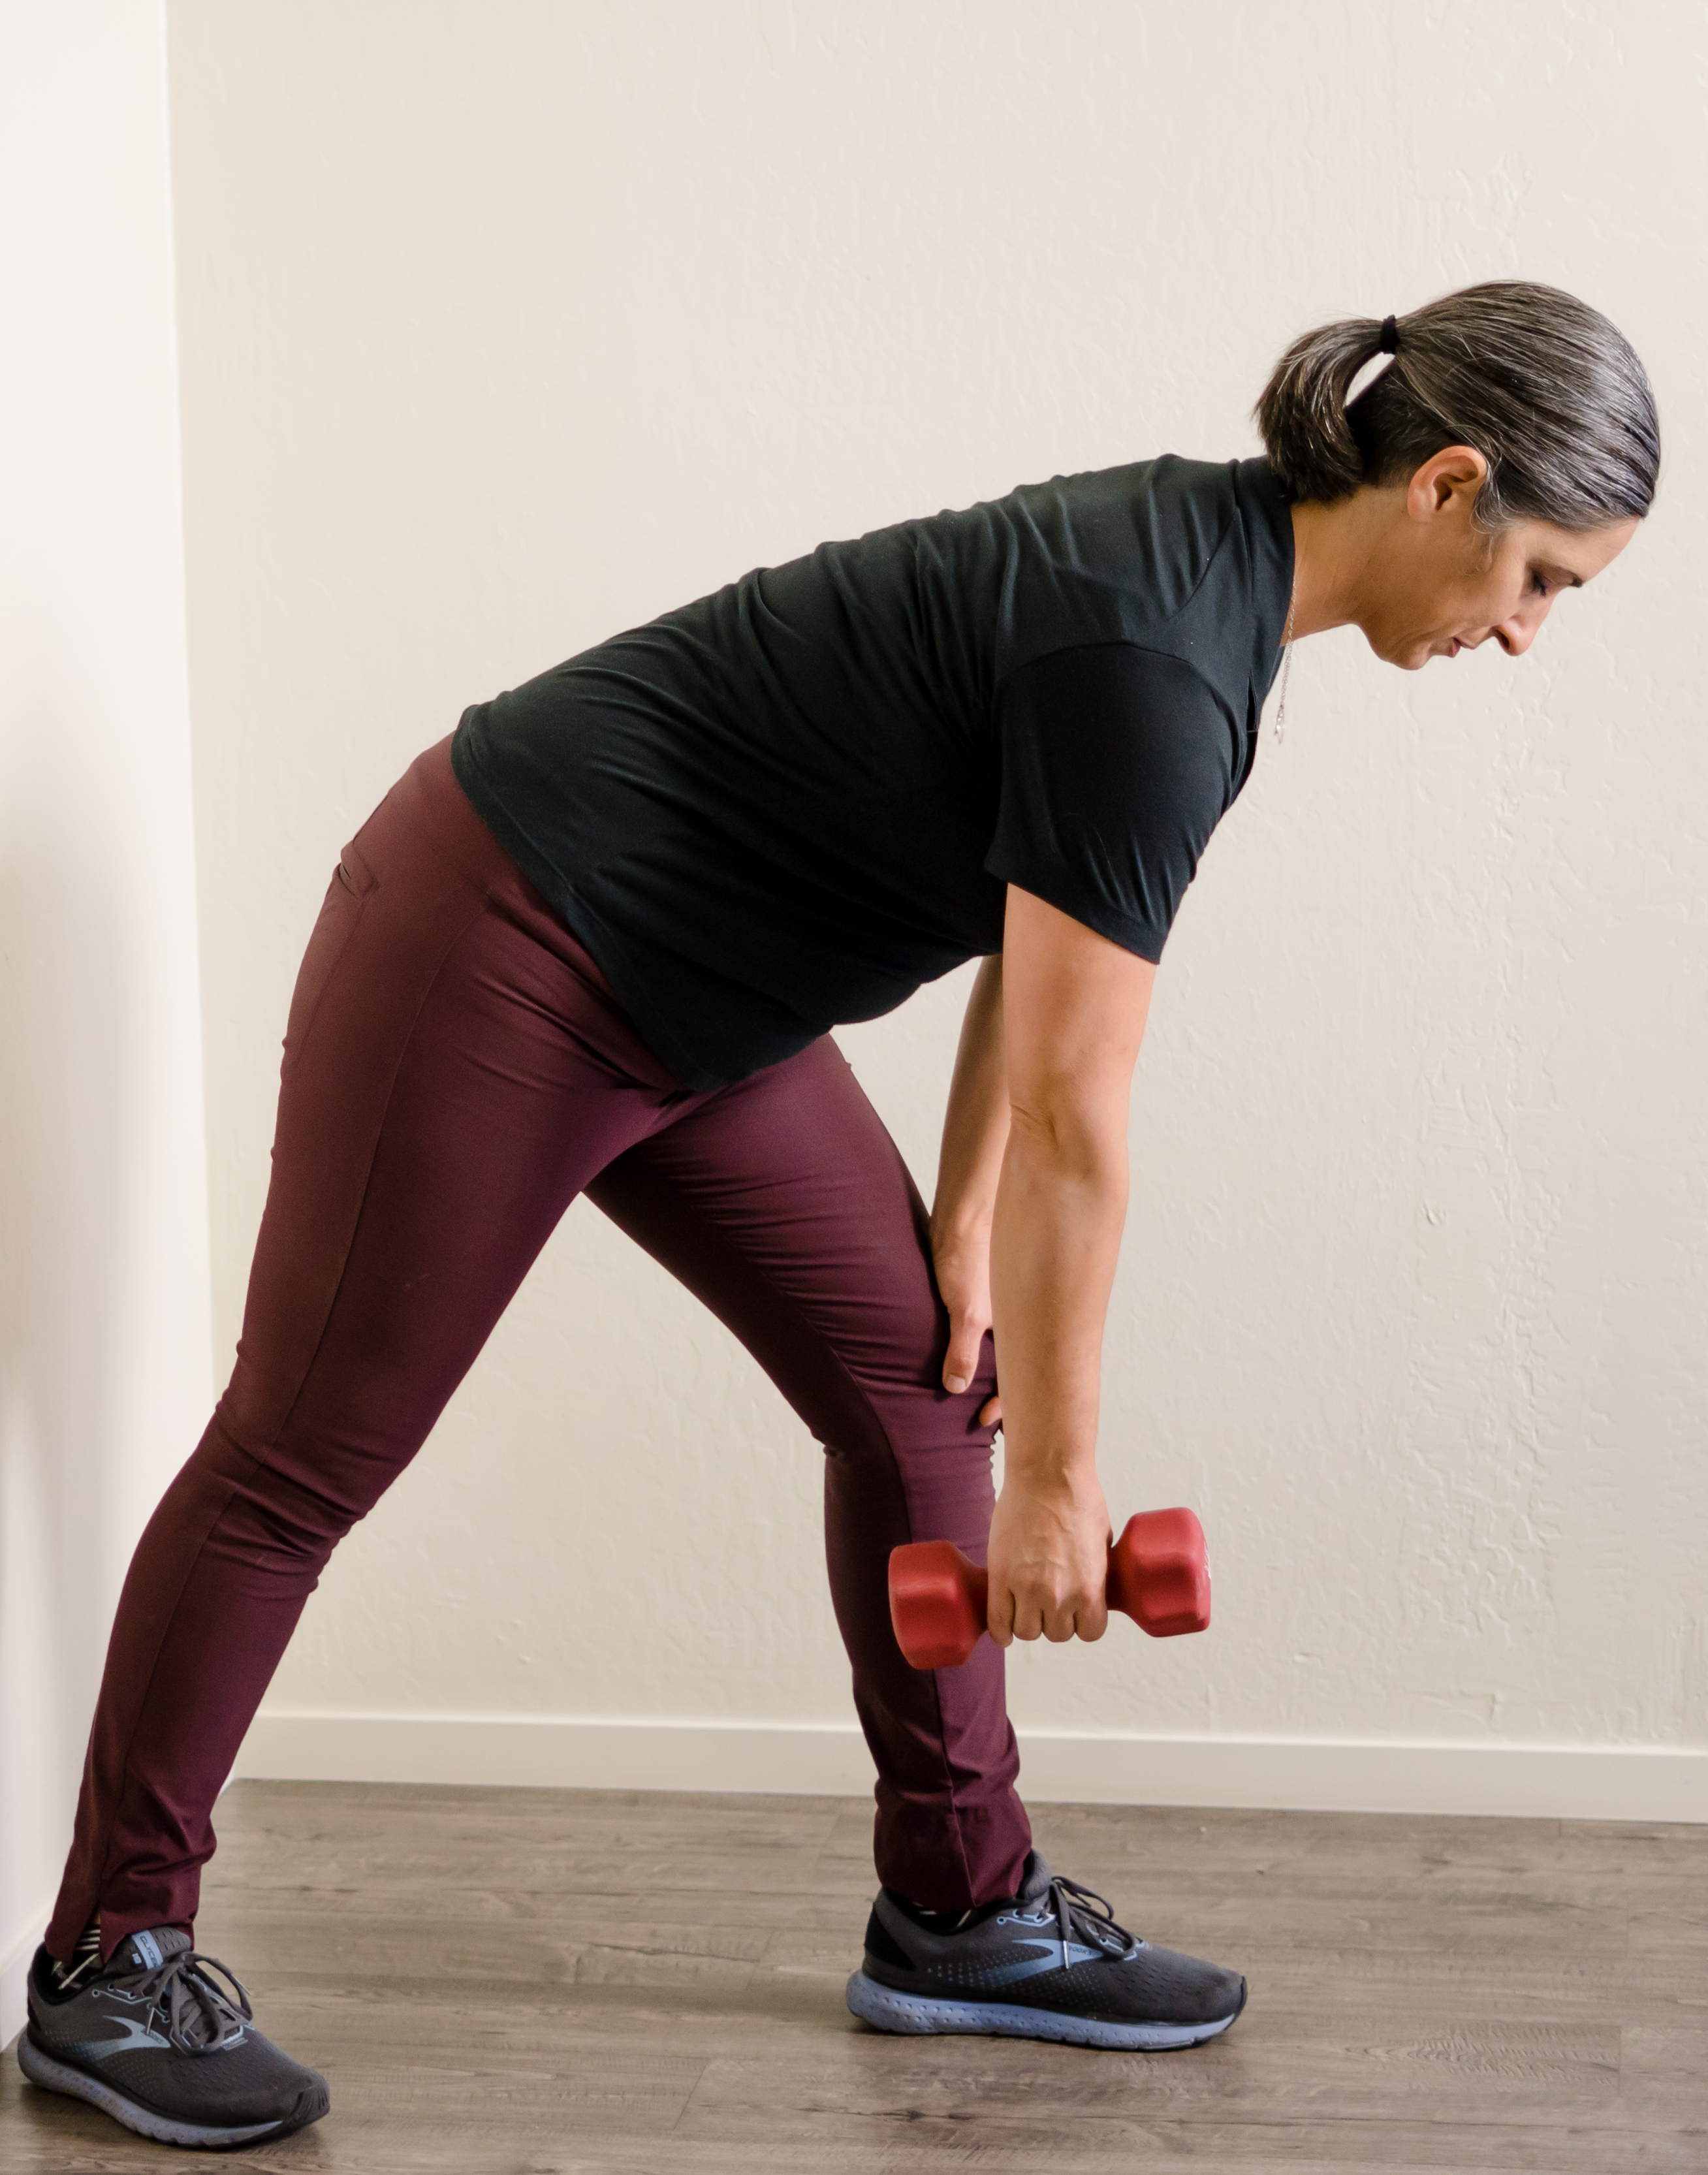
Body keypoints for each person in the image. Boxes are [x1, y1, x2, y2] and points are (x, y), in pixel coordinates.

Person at [19, 281, 1657, 2149]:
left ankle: (962, 1908)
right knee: (306, 1449)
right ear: (1451, 484)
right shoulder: (1163, 652)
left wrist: (956, 1225)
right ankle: (109, 1959)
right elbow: (1078, 1104)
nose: (1530, 633)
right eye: (1547, 579)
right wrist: (1061, 1489)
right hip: (508, 928)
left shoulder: (1204, 593)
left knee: (918, 1379)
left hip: (706, 1006)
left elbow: (1027, 985)